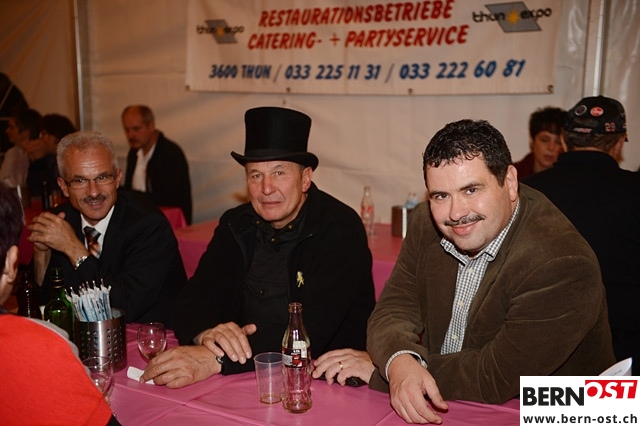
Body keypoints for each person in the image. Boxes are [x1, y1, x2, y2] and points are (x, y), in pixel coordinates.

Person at [366, 119, 615, 424]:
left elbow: (494, 376)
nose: (456, 213)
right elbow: (395, 307)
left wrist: (388, 372)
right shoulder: (426, 222)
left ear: (509, 182)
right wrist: (400, 361)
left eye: (471, 189)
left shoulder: (561, 263)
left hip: (564, 412)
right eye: (440, 195)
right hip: (456, 402)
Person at [140, 106, 376, 388]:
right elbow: (192, 300)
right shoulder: (236, 223)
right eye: (255, 175)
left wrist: (215, 358)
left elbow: (310, 331)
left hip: (323, 382)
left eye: (279, 173)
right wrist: (208, 335)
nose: (266, 188)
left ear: (305, 179)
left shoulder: (339, 229)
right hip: (246, 377)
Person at [523, 95, 639, 375]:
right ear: (618, 143)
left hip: (539, 346)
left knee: (541, 407)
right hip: (623, 352)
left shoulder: (525, 192)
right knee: (613, 407)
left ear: (564, 141)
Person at [27, 130, 187, 327]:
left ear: (118, 178)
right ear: (63, 187)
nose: (94, 192)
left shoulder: (148, 225)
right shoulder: (61, 221)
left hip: (147, 336)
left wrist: (74, 249)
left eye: (102, 177)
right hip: (82, 335)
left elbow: (124, 305)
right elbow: (41, 305)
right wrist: (41, 255)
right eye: (80, 181)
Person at [0, 182, 118, 426]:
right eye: (80, 181)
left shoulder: (143, 224)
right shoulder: (41, 346)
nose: (93, 191)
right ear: (12, 262)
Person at [121, 105, 193, 224]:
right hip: (141, 217)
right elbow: (129, 188)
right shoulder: (133, 152)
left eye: (136, 129)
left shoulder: (170, 154)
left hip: (168, 222)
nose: (130, 135)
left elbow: (166, 199)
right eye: (127, 130)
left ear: (151, 126)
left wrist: (132, 197)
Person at [26, 113, 77, 198]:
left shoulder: (71, 158)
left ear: (56, 136)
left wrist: (39, 161)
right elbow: (34, 191)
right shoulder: (48, 158)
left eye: (43, 134)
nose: (40, 139)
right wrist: (36, 161)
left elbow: (56, 190)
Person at [513, 106, 567, 179]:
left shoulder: (569, 177)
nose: (551, 148)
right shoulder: (512, 174)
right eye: (545, 140)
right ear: (532, 141)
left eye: (558, 142)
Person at [0, 108, 40, 190]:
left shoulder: (38, 153)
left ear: (25, 132)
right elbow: (3, 180)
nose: (7, 131)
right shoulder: (11, 153)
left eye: (11, 128)